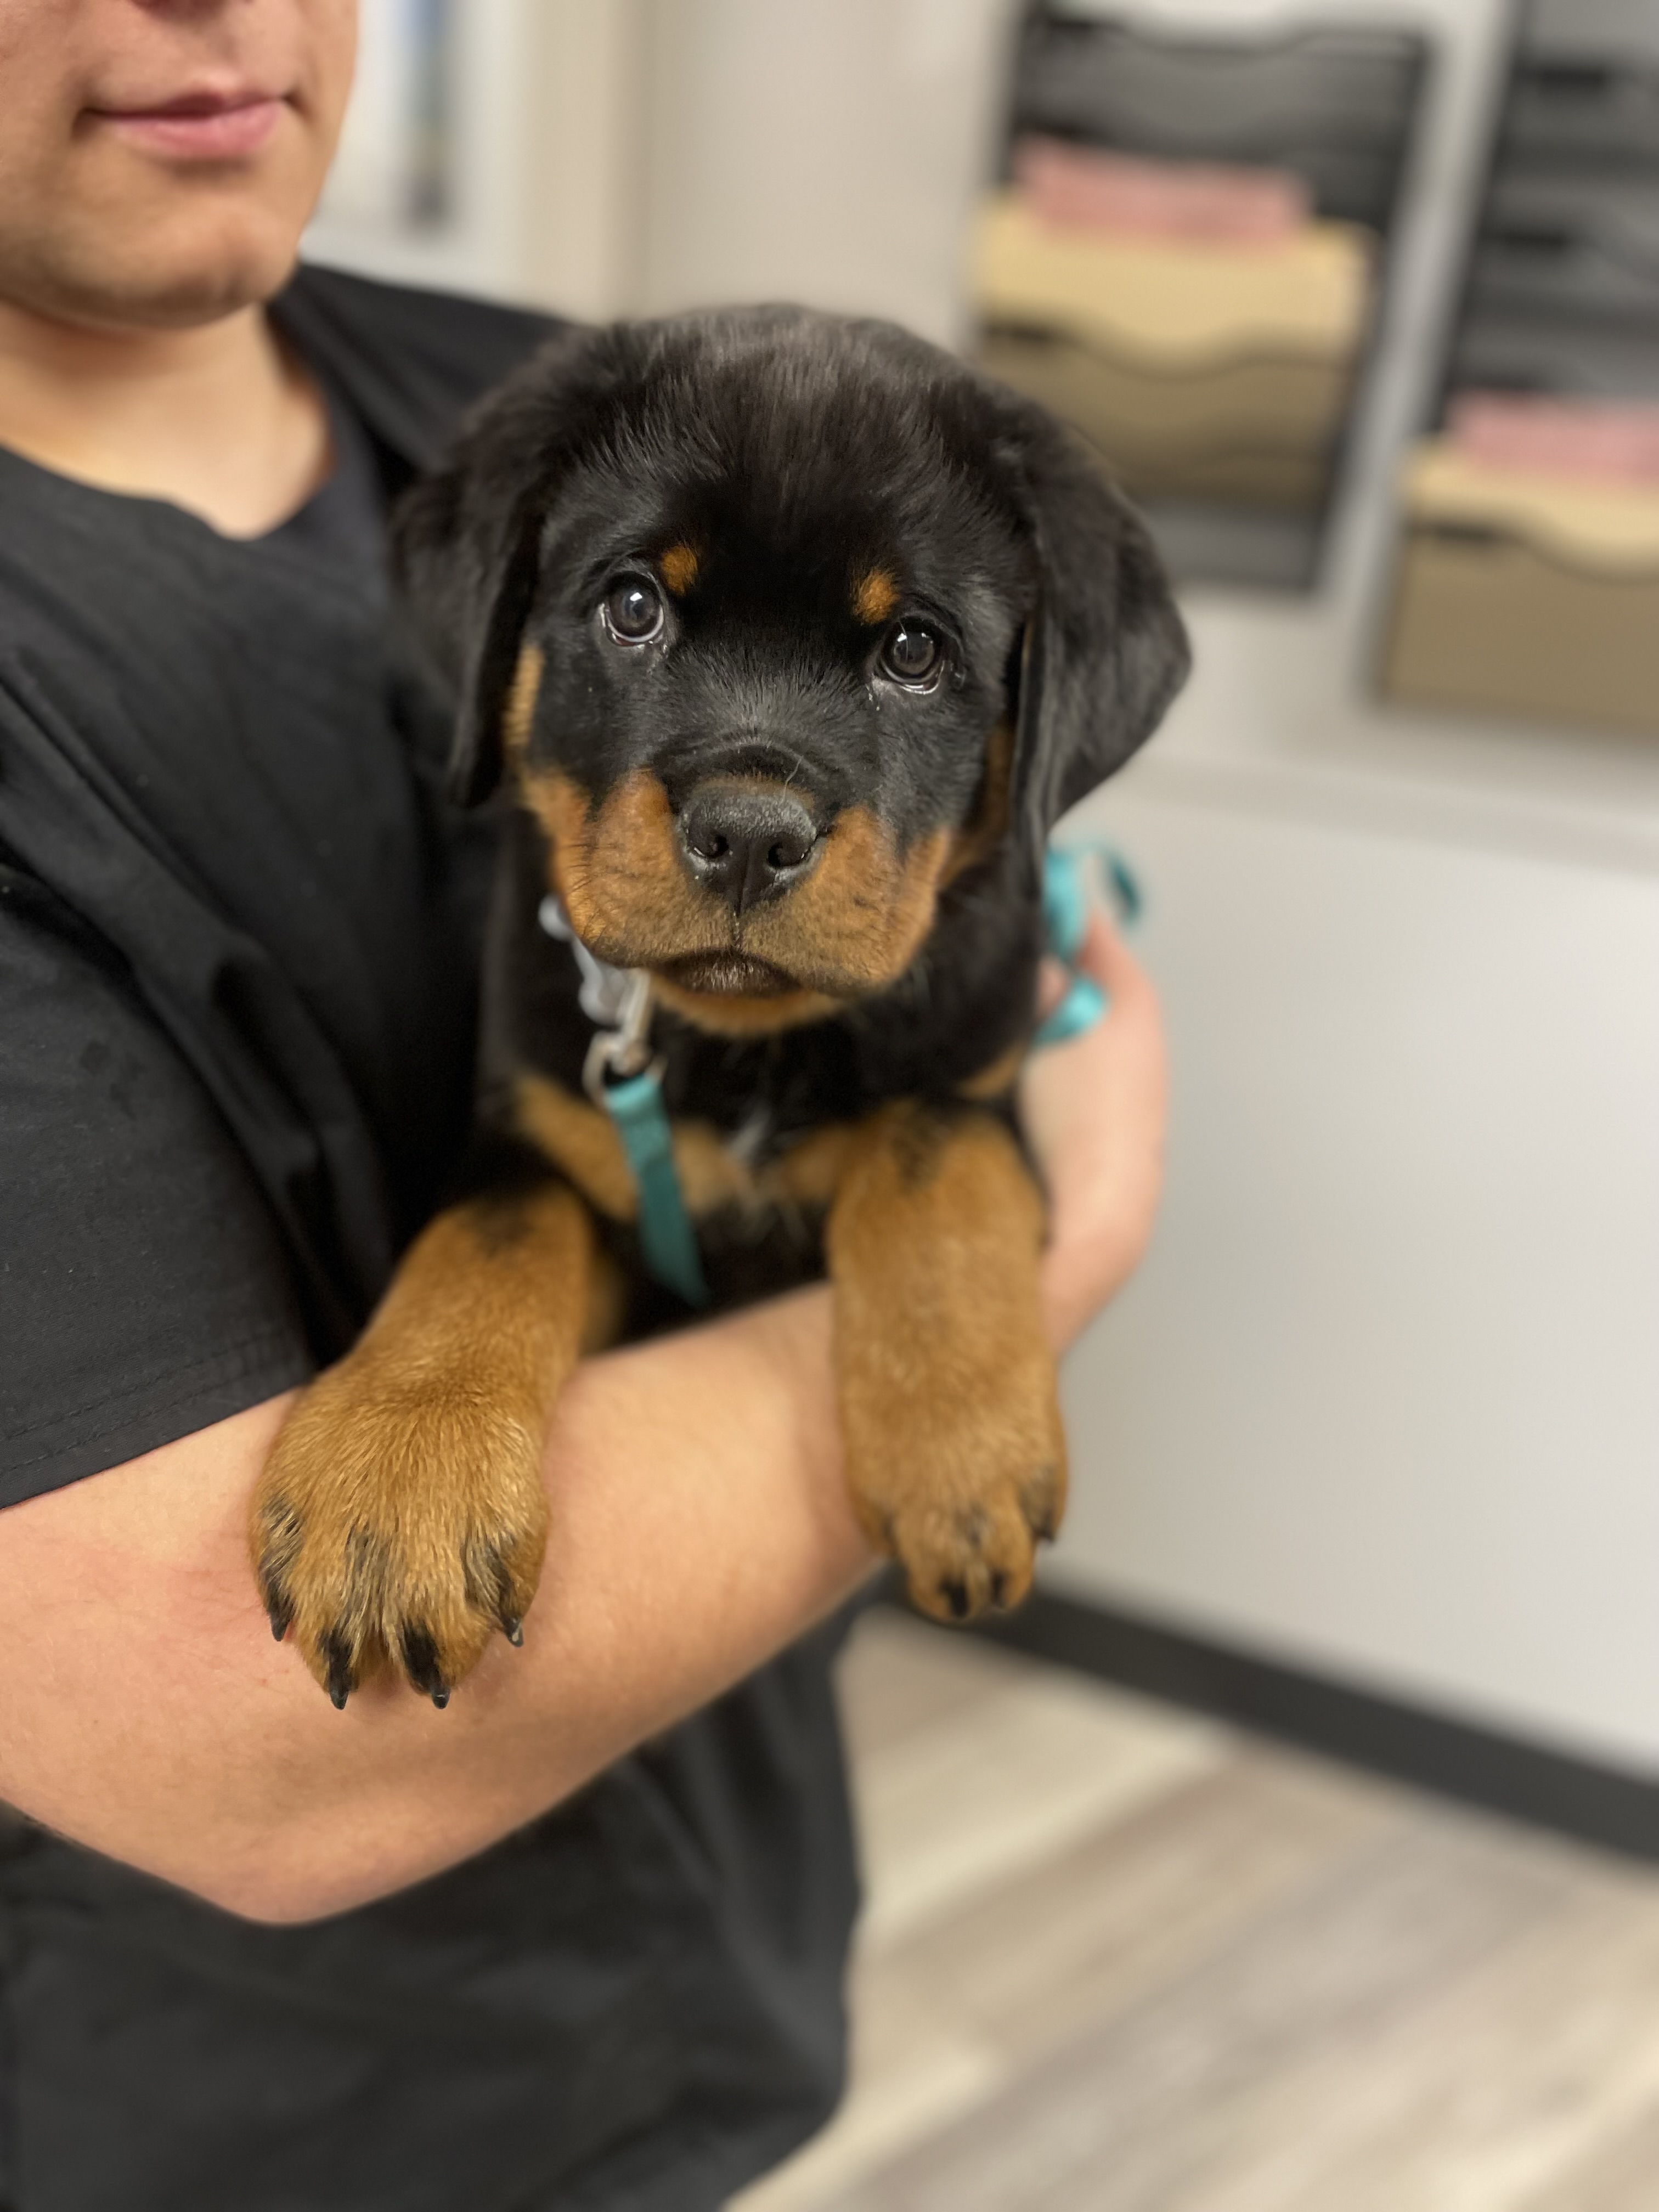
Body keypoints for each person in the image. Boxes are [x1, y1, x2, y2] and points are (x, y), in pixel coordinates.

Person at [0, 4, 1169, 2207]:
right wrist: (1085, 1217)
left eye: (913, 655)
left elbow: (990, 1051)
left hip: (716, 1931)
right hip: (219, 2099)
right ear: (502, 649)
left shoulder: (520, 385)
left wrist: (973, 1191)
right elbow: (540, 1183)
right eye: (639, 611)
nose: (753, 800)